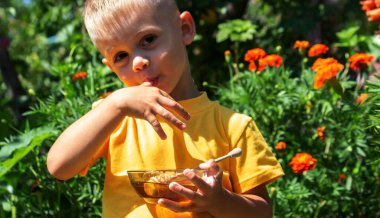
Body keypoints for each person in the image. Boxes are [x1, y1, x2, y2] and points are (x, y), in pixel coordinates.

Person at [47, 0, 284, 217]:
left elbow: (262, 213)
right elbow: (59, 167)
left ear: (185, 29)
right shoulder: (115, 116)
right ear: (110, 67)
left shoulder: (233, 126)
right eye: (121, 56)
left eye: (148, 40)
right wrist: (116, 103)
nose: (138, 62)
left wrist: (219, 200)